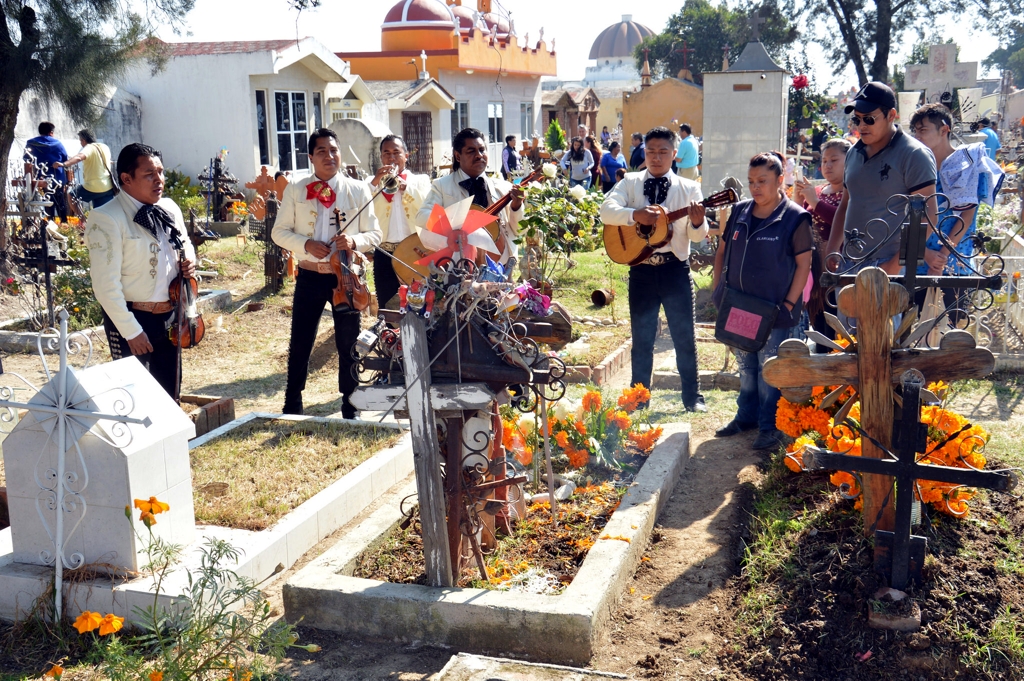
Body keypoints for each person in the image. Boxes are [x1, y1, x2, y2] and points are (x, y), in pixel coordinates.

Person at [272, 128, 382, 417]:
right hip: (309, 275)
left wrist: (355, 241)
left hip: (345, 278)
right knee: (301, 341)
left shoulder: (358, 189)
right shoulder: (296, 188)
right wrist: (306, 243)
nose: (329, 156)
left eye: (333, 150)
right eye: (321, 151)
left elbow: (375, 234)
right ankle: (292, 402)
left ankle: (351, 404)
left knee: (348, 343)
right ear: (311, 157)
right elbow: (279, 232)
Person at [600, 126, 709, 412]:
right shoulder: (631, 182)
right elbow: (605, 210)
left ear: (675, 154)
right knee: (642, 337)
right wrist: (634, 214)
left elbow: (697, 237)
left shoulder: (690, 188)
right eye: (650, 152)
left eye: (663, 152)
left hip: (675, 271)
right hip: (641, 272)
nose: (656, 157)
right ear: (643, 153)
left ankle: (692, 398)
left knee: (684, 336)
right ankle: (639, 398)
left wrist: (697, 222)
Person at [712, 152, 813, 450]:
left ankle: (769, 428)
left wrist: (790, 306)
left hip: (774, 312)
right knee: (746, 367)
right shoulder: (740, 212)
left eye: (763, 181)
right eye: (752, 181)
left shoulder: (795, 217)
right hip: (739, 307)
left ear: (781, 180)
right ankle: (746, 417)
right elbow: (722, 252)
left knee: (769, 370)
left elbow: (804, 265)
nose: (756, 188)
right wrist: (718, 289)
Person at [85, 143, 197, 401]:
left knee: (170, 392)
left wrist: (190, 261)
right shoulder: (107, 217)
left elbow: (186, 244)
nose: (159, 180)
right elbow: (105, 285)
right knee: (136, 398)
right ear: (126, 179)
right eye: (149, 174)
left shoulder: (169, 208)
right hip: (134, 318)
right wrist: (131, 331)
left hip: (171, 315)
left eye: (160, 172)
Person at [825, 82, 936, 277]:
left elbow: (929, 216)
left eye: (869, 119)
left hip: (888, 264)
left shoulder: (914, 154)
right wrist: (833, 249)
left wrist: (893, 267)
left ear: (891, 115)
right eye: (857, 120)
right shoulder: (853, 153)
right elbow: (846, 204)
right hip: (849, 262)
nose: (861, 126)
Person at [910, 104, 1004, 322]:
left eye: (923, 130)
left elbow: (967, 216)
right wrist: (923, 252)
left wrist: (941, 256)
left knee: (951, 337)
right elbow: (907, 213)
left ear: (944, 130)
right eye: (915, 130)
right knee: (912, 337)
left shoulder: (969, 165)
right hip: (918, 261)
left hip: (954, 264)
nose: (917, 135)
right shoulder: (914, 166)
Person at [417, 127, 524, 265]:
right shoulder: (442, 186)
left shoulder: (503, 187)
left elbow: (519, 231)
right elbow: (421, 217)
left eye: (482, 150)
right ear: (457, 156)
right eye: (471, 151)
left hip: (500, 264)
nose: (479, 155)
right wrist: (457, 220)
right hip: (458, 265)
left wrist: (516, 207)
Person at [794, 138, 849, 346]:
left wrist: (815, 203)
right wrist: (799, 202)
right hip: (814, 275)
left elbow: (843, 222)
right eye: (824, 160)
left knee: (838, 334)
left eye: (834, 160)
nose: (827, 165)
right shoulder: (816, 192)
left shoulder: (850, 194)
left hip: (839, 273)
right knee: (819, 332)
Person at [369, 135, 432, 307]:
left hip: (415, 249)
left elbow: (428, 209)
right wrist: (375, 183)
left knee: (419, 301)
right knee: (387, 303)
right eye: (386, 153)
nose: (391, 158)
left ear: (406, 156)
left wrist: (407, 189)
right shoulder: (371, 183)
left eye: (396, 153)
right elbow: (364, 209)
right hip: (385, 251)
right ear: (381, 157)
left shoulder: (420, 180)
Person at [59, 130, 116, 208]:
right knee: (102, 212)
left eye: (80, 141)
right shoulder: (104, 146)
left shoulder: (89, 147)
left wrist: (64, 164)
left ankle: (83, 219)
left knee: (71, 195)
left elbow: (79, 157)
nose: (80, 143)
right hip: (108, 187)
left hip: (92, 187)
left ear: (83, 140)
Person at [24, 122, 69, 221]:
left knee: (46, 201)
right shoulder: (58, 144)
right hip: (58, 179)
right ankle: (64, 223)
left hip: (40, 179)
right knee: (60, 202)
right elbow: (65, 159)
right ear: (51, 133)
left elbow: (26, 159)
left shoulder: (31, 143)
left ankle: (50, 222)